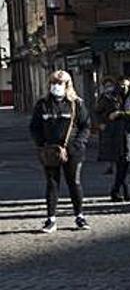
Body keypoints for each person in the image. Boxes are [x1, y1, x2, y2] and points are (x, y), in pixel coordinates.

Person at [29, 70, 91, 233]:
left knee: (74, 183)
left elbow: (85, 126)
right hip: (50, 151)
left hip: (73, 151)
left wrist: (78, 143)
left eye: (60, 82)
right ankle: (51, 219)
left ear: (67, 85)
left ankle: (80, 216)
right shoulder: (42, 104)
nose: (56, 85)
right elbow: (34, 127)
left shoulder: (76, 103)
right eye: (53, 82)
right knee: (52, 184)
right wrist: (41, 144)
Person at [97, 77, 130, 202]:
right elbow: (98, 112)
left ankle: (117, 190)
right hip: (114, 134)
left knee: (126, 163)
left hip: (129, 134)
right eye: (122, 85)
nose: (124, 88)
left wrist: (120, 114)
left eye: (127, 86)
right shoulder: (109, 98)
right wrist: (103, 122)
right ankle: (124, 191)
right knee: (120, 163)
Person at [95, 76, 117, 176]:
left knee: (118, 146)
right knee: (106, 147)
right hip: (106, 124)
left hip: (117, 124)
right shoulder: (102, 98)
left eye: (110, 85)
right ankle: (109, 166)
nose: (109, 88)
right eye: (106, 86)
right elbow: (97, 111)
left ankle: (123, 166)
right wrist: (100, 123)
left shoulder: (117, 96)